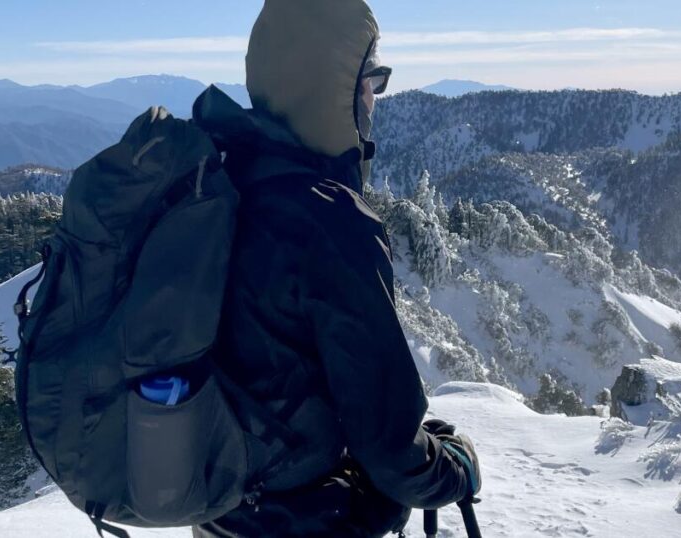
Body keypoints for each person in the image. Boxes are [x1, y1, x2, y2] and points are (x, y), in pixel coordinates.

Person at [190, 0, 481, 536]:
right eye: (370, 80)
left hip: (221, 514)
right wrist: (453, 468)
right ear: (336, 89)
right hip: (306, 521)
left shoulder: (222, 182)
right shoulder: (330, 223)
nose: (374, 97)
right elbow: (392, 455)